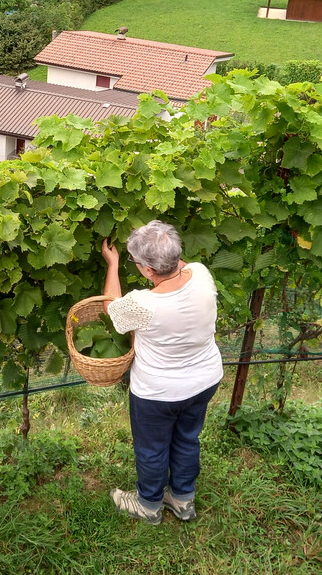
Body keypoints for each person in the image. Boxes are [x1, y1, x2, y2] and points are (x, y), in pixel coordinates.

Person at [98, 220, 224, 525]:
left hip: (158, 394)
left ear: (148, 271)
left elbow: (110, 308)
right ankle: (182, 500)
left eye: (138, 263)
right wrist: (159, 248)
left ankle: (149, 504)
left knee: (152, 449)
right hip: (204, 380)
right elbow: (178, 265)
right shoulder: (202, 274)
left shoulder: (144, 303)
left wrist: (113, 264)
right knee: (187, 439)